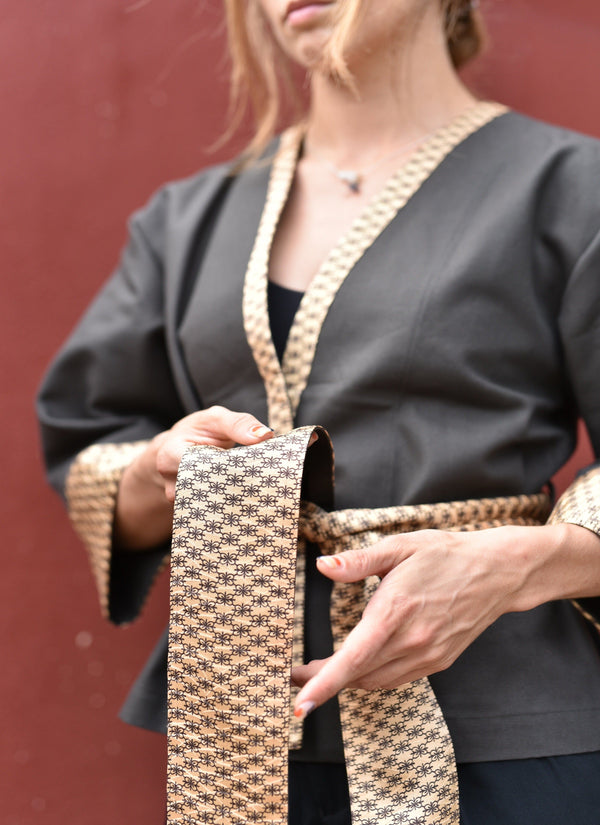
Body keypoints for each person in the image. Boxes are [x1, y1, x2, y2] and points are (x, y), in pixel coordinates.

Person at [37, 0, 600, 822]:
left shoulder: (573, 189)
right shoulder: (184, 220)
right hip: (237, 741)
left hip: (505, 740)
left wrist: (513, 568)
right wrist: (164, 470)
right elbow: (91, 449)